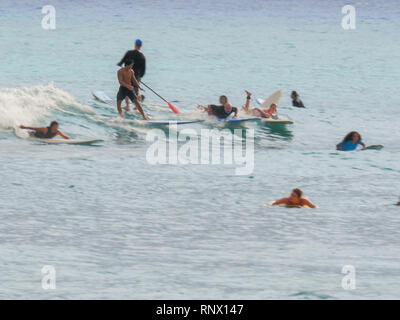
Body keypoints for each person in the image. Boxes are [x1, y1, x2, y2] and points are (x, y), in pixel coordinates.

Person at [117, 39, 146, 109]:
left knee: (126, 88)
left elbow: (121, 62)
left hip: (128, 74)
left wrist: (119, 64)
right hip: (137, 76)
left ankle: (127, 106)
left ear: (135, 44)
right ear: (141, 46)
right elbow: (143, 69)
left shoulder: (129, 53)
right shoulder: (142, 56)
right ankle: (138, 101)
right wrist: (140, 77)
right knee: (135, 91)